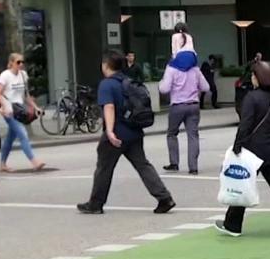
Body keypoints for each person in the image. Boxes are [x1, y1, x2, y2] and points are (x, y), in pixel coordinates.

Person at [77, 51, 175, 215]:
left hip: (117, 133)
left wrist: (109, 131)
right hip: (134, 131)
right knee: (143, 165)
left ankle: (95, 203)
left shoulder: (107, 84)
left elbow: (109, 107)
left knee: (104, 168)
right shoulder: (127, 81)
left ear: (106, 65)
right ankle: (164, 198)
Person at [215, 60, 270, 239]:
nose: (252, 78)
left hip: (253, 150)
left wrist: (237, 146)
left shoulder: (252, 98)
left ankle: (233, 224)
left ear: (259, 78)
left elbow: (245, 124)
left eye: (253, 75)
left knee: (241, 184)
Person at [159, 49, 208, 174]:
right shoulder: (195, 70)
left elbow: (164, 89)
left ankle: (174, 163)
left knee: (172, 134)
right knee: (193, 136)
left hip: (177, 106)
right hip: (193, 105)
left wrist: (161, 82)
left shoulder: (171, 69)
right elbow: (206, 87)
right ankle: (193, 167)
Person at [0, 52, 44, 172]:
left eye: (22, 62)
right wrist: (4, 107)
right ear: (11, 63)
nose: (21, 64)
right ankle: (34, 162)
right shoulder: (5, 75)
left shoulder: (23, 74)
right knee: (22, 133)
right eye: (18, 62)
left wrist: (35, 107)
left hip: (19, 109)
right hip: (10, 110)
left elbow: (26, 95)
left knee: (10, 138)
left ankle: (2, 164)